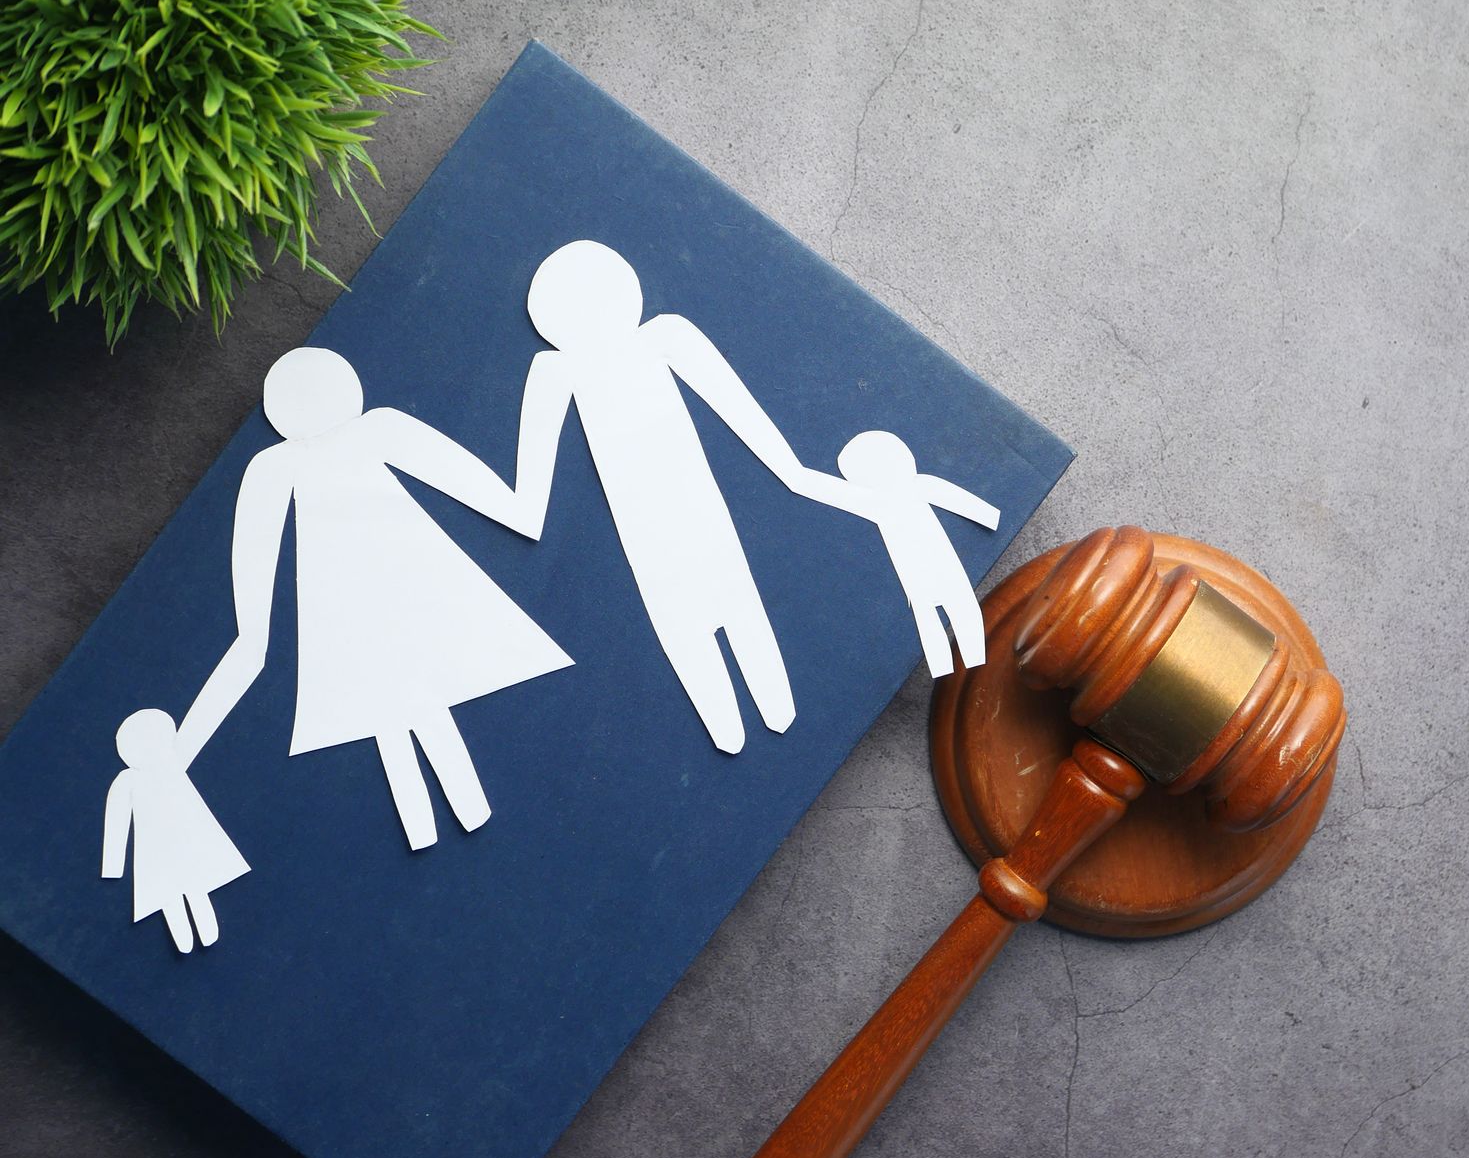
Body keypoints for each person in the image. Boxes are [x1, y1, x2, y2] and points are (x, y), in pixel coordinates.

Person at [178, 347, 571, 852]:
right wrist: (521, 506)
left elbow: (460, 477)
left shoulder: (321, 448)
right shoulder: (287, 461)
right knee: (398, 696)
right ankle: (445, 819)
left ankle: (453, 817)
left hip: (385, 586)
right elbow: (254, 581)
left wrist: (519, 509)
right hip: (354, 596)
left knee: (401, 695)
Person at [510, 240, 854, 753]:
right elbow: (530, 489)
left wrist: (794, 473)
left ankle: (766, 716)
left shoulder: (663, 336)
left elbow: (737, 405)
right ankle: (732, 731)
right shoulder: (557, 370)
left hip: (695, 505)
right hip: (644, 524)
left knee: (732, 603)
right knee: (687, 620)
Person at [826, 430, 1000, 677]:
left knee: (942, 614)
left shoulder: (882, 499)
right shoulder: (906, 490)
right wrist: (990, 517)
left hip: (924, 569)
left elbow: (967, 504)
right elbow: (965, 503)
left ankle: (967, 665)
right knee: (951, 611)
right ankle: (963, 666)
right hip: (932, 567)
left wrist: (990, 517)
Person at [101, 709, 250, 953]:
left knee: (192, 886)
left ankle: (204, 933)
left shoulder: (170, 764)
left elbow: (202, 726)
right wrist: (113, 866)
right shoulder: (131, 779)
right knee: (170, 895)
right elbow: (116, 820)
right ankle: (186, 939)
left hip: (180, 842)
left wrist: (113, 867)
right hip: (156, 850)